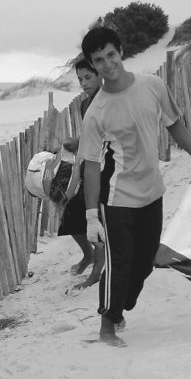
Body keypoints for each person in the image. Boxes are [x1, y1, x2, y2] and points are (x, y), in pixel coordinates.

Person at [78, 27, 191, 346]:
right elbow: (91, 165)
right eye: (99, 60)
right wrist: (92, 215)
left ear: (121, 51)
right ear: (93, 65)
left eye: (111, 54)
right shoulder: (96, 112)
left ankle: (119, 307)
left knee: (146, 259)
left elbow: (174, 123)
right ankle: (107, 327)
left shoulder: (152, 86)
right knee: (120, 262)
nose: (108, 64)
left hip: (152, 192)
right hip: (117, 198)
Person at [59, 58, 105, 290]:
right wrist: (76, 143)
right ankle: (88, 256)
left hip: (105, 167)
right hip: (87, 165)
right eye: (80, 79)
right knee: (71, 216)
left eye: (88, 77)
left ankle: (96, 272)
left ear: (100, 75)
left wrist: (79, 142)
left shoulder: (109, 101)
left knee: (96, 221)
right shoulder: (85, 104)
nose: (84, 83)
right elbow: (89, 135)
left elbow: (104, 135)